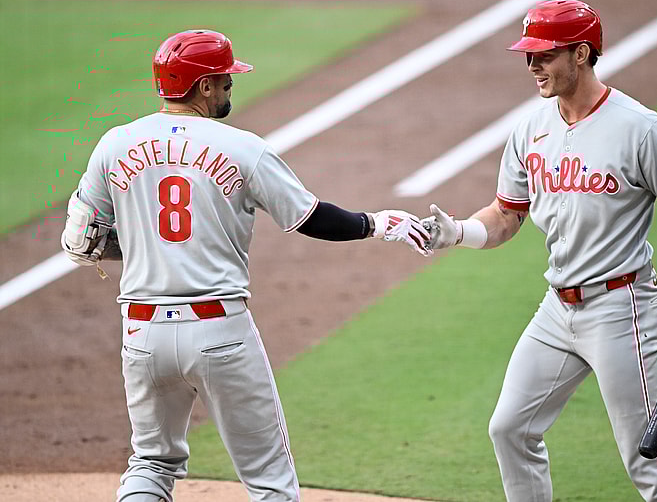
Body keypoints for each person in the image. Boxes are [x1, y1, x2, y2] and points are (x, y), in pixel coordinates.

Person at [60, 29, 431, 502]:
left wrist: (143, 243)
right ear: (205, 86)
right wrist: (376, 223)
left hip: (142, 334)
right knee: (269, 481)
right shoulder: (241, 147)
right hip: (219, 332)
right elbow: (310, 217)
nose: (230, 89)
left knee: (150, 464)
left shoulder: (114, 145)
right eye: (226, 82)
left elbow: (79, 241)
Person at [421, 0, 657, 501]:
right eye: (529, 56)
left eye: (545, 55)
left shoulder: (639, 127)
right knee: (510, 428)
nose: (532, 65)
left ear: (581, 54)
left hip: (622, 307)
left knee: (644, 455)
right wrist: (459, 232)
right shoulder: (531, 129)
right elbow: (507, 213)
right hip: (558, 308)